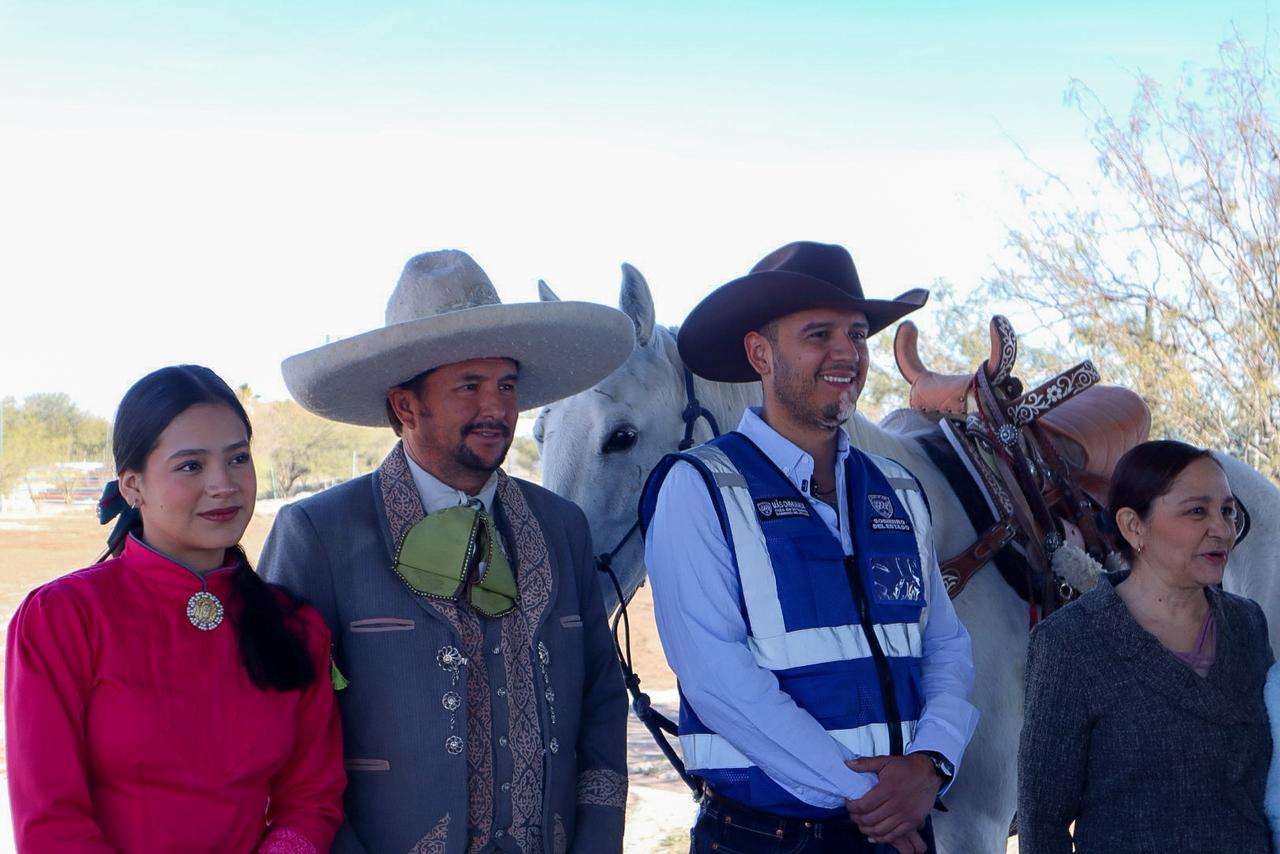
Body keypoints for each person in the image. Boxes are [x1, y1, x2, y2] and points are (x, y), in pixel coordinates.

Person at [258, 249, 634, 854]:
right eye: (469, 387)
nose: (497, 409)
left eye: (506, 386)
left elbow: (599, 695)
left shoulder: (561, 526)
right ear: (405, 407)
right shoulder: (319, 534)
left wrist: (596, 840)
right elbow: (281, 728)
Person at [639, 241, 979, 854]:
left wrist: (930, 764)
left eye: (856, 334)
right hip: (768, 837)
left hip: (900, 822)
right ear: (760, 354)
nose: (846, 353)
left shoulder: (900, 491)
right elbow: (717, 677)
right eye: (818, 334)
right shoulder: (700, 488)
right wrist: (873, 799)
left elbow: (945, 643)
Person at [6, 365, 345, 853]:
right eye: (191, 465)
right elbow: (50, 822)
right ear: (132, 486)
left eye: (238, 459)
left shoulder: (296, 627)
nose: (223, 484)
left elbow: (312, 797)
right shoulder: (62, 619)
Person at [1018, 439, 1273, 853]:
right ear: (1133, 526)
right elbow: (1042, 820)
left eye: (1228, 511)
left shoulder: (1248, 625)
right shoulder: (1070, 643)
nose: (1222, 529)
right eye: (1197, 511)